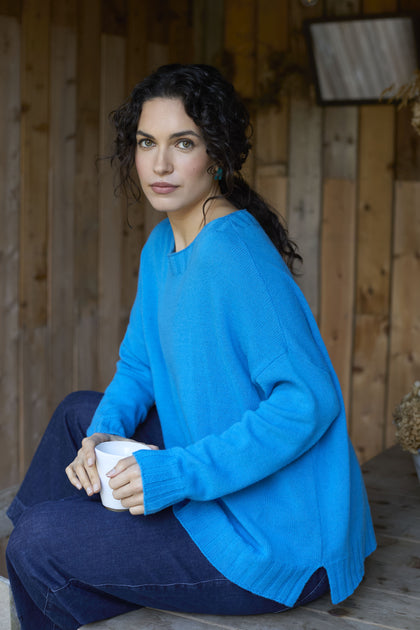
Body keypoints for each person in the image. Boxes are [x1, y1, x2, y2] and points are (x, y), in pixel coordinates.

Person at [6, 64, 376, 630]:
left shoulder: (234, 253)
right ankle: (26, 588)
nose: (159, 164)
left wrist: (176, 475)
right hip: (223, 486)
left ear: (218, 154)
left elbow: (309, 401)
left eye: (183, 143)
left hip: (278, 541)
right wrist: (103, 435)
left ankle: (42, 578)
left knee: (38, 539)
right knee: (78, 417)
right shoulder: (162, 247)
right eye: (146, 143)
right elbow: (138, 364)